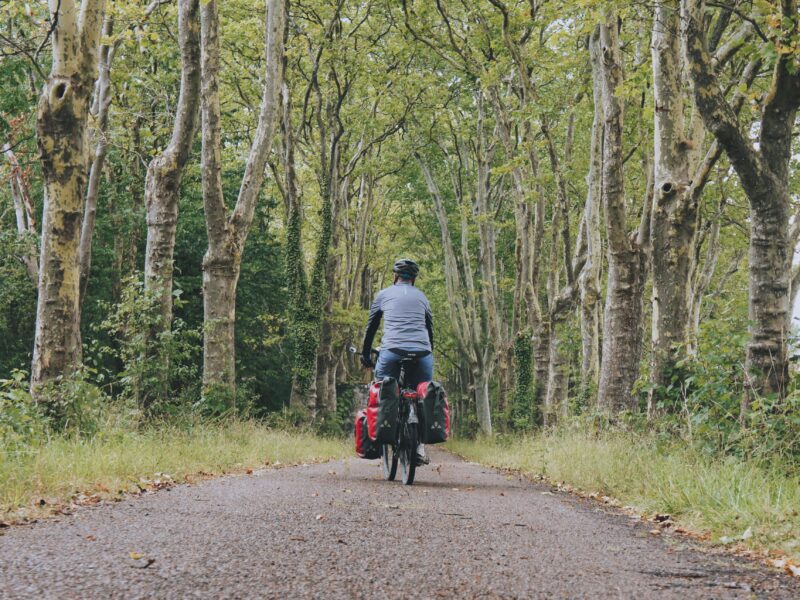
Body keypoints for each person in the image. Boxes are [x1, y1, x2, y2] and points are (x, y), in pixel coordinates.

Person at [361, 258, 433, 464]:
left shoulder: (383, 295)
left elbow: (371, 327)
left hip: (391, 351)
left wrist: (366, 355)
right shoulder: (423, 297)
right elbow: (430, 330)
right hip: (422, 353)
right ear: (415, 279)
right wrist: (428, 354)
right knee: (422, 391)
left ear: (395, 277)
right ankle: (419, 447)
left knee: (381, 388)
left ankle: (375, 438)